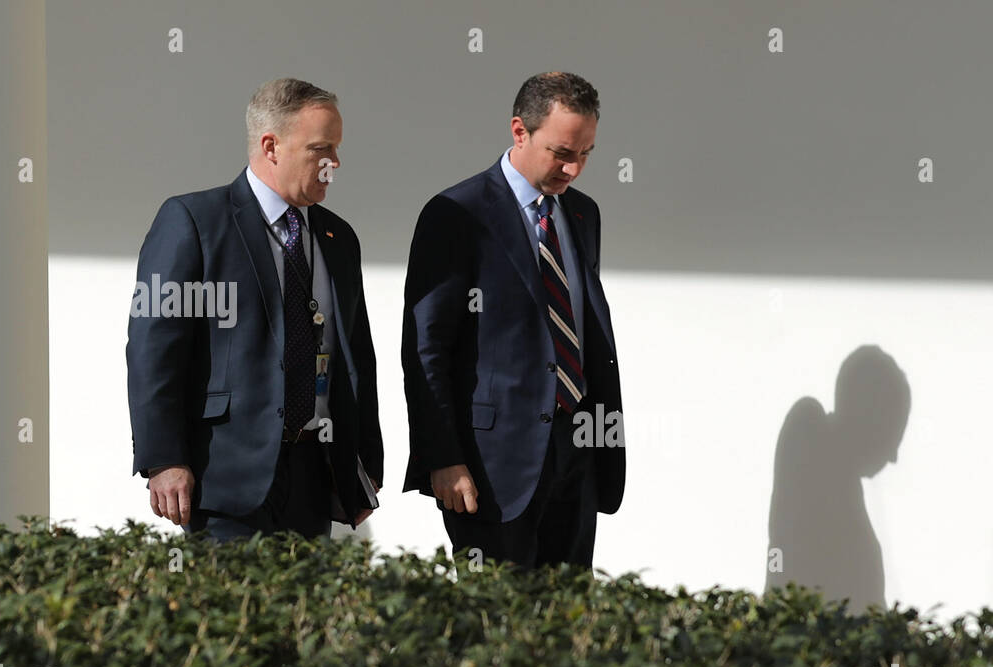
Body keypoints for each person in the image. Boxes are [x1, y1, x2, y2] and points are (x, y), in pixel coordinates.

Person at [127, 78, 382, 541]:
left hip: (314, 473)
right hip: (224, 478)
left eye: (337, 149)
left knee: (306, 614)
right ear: (271, 146)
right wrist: (164, 459)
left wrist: (364, 459)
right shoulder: (194, 221)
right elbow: (154, 348)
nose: (334, 163)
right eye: (321, 149)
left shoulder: (338, 238)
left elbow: (357, 354)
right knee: (233, 613)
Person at [401, 71, 624, 568]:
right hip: (489, 467)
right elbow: (425, 349)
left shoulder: (582, 214)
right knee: (495, 627)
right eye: (562, 152)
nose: (574, 169)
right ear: (519, 131)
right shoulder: (456, 214)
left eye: (586, 153)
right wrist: (442, 457)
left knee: (568, 624)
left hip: (577, 453)